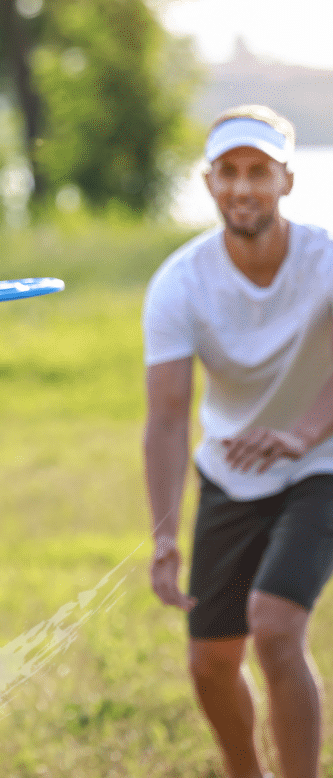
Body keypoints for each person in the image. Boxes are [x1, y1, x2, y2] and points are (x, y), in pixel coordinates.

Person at [142, 105, 333, 778]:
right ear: (209, 183)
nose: (243, 187)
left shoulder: (327, 260)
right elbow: (166, 415)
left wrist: (304, 433)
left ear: (286, 180)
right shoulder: (181, 283)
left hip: (322, 466)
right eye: (229, 172)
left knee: (276, 629)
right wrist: (165, 536)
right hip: (230, 472)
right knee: (212, 661)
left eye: (259, 172)